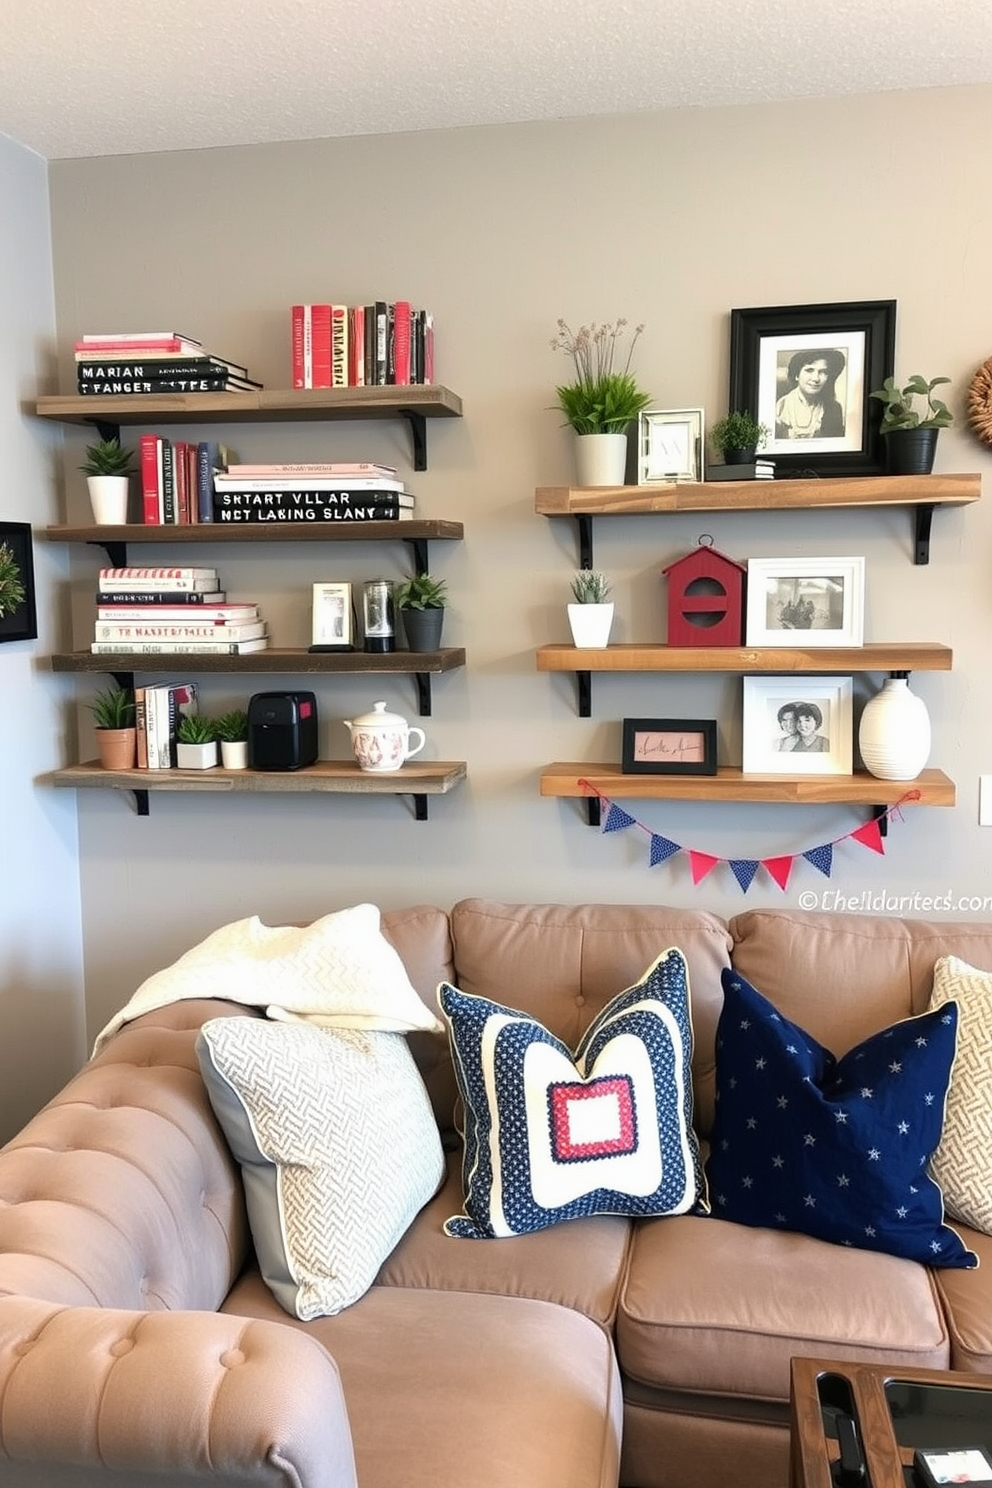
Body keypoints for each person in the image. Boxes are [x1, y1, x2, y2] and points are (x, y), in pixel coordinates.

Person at [775, 348, 846, 440]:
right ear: (797, 375)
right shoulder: (780, 408)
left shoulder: (834, 409)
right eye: (809, 370)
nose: (816, 378)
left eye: (823, 372)